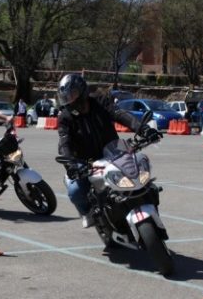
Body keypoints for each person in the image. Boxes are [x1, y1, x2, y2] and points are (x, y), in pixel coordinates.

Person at [56, 74, 160, 228]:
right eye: (67, 97)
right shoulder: (65, 117)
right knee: (75, 190)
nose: (71, 100)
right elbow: (65, 143)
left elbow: (120, 115)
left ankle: (149, 210)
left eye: (73, 95)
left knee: (143, 178)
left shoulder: (100, 102)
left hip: (113, 153)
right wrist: (72, 165)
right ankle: (87, 213)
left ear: (83, 91)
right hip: (86, 163)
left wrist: (143, 129)